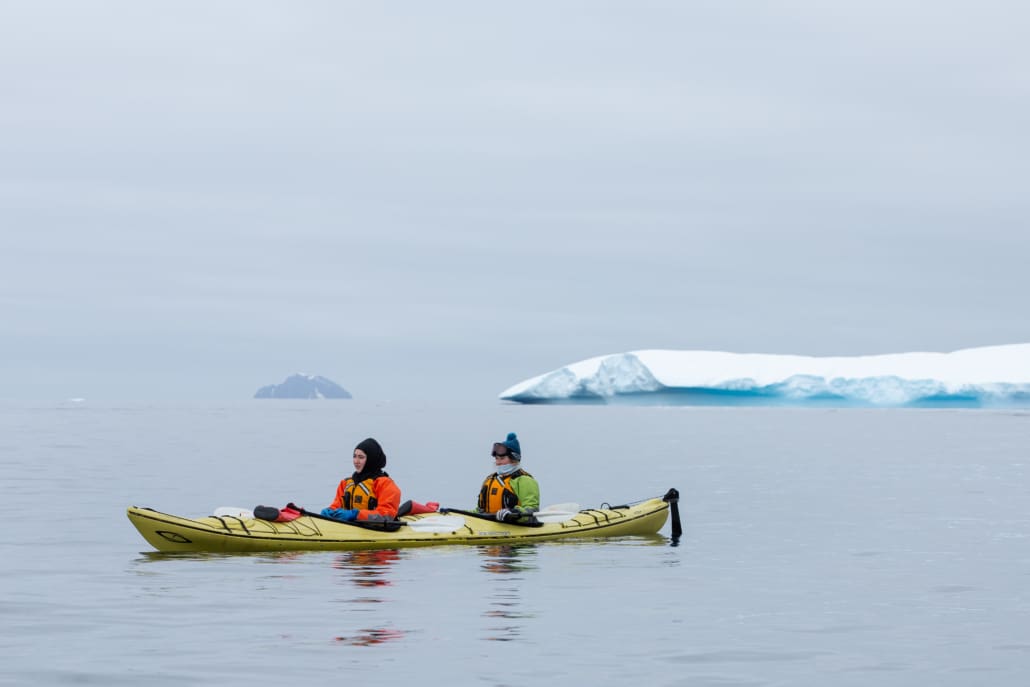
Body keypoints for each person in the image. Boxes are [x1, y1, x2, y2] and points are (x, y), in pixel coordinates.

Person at [321, 438, 401, 522]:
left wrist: (357, 515)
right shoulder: (345, 483)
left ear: (371, 459)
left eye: (361, 457)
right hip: (350, 529)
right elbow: (336, 506)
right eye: (354, 456)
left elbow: (387, 516)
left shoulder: (385, 484)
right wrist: (330, 511)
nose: (356, 461)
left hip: (375, 530)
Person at [477, 432, 540, 522]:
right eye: (497, 459)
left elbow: (531, 510)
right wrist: (458, 514)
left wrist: (511, 513)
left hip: (517, 527)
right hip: (490, 525)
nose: (498, 462)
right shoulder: (489, 480)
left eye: (502, 459)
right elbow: (479, 511)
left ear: (514, 459)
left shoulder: (525, 481)